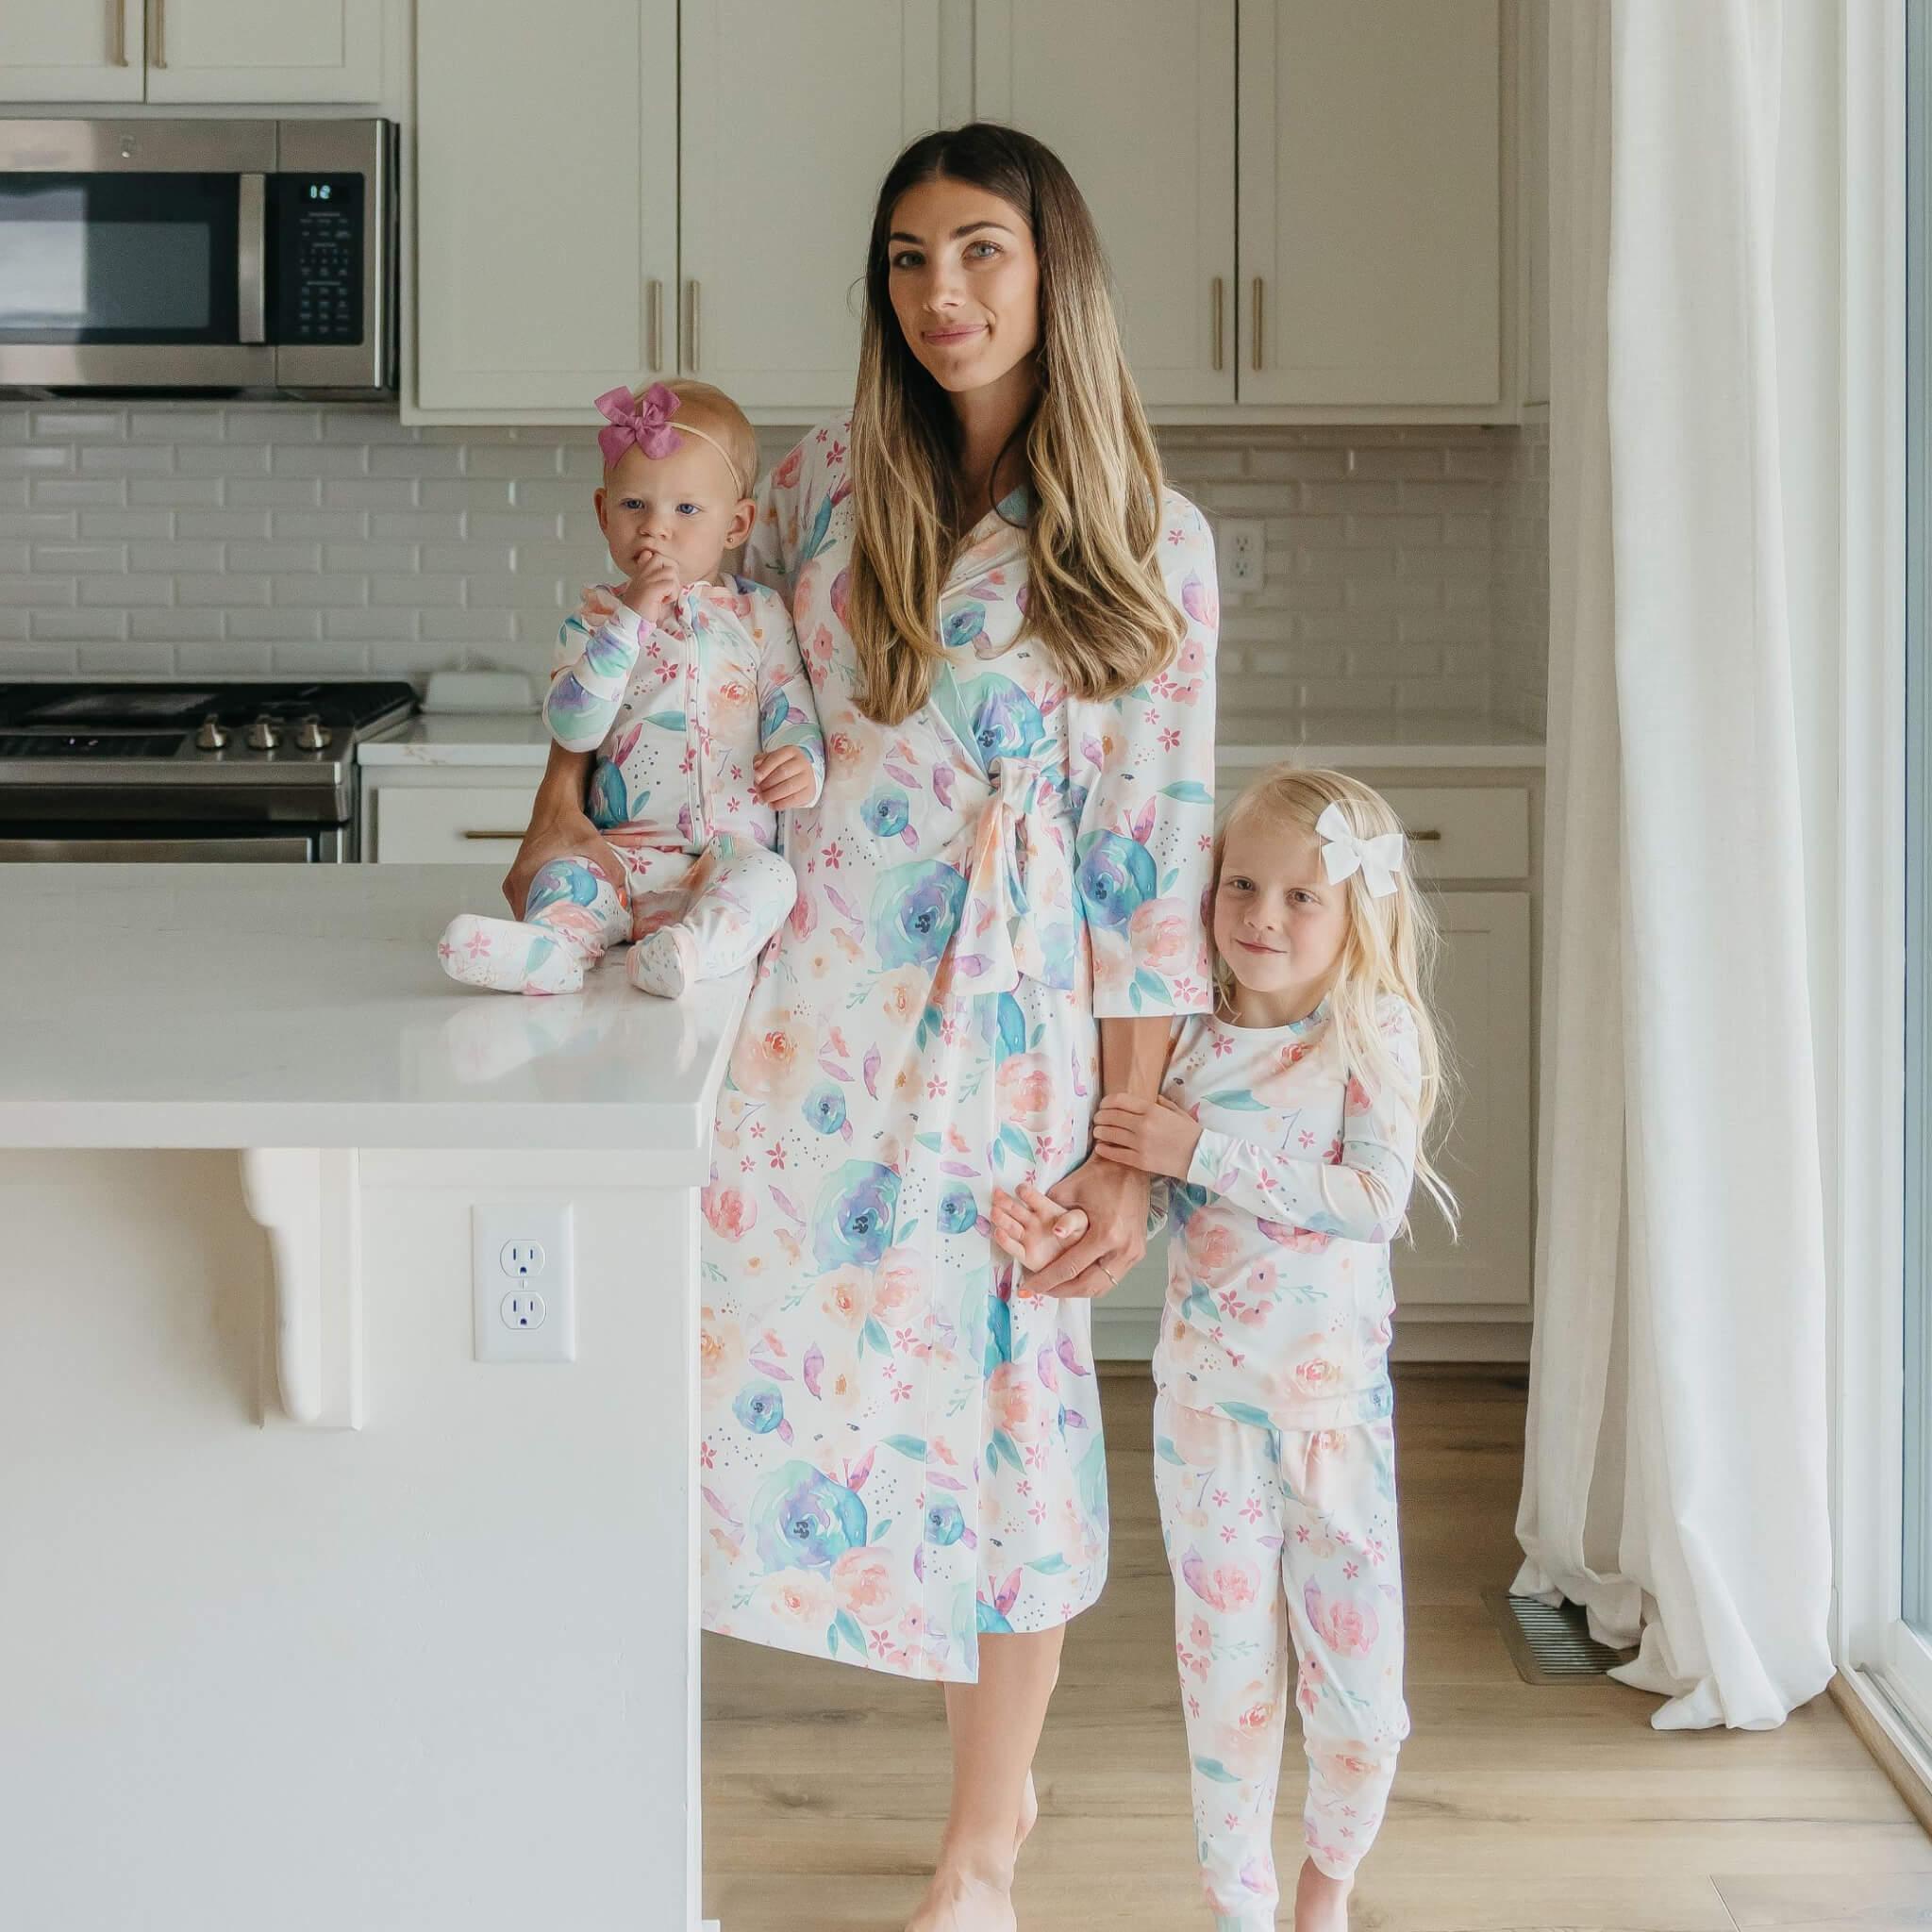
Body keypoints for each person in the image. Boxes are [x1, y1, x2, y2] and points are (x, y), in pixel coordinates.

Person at [504, 124, 1219, 1932]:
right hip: (790, 1011)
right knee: (703, 1377)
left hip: (1000, 1033)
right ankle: (588, 1790)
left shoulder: (1148, 537)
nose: (939, 292)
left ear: (1053, 274)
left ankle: (980, 1844)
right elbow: (680, 661)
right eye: (906, 257)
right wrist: (558, 801)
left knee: (1003, 1422)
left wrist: (1125, 1151)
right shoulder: (818, 481)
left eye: (979, 250)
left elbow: (1147, 865)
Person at [994, 765, 1453, 1932]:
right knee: (1227, 1689)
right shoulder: (1185, 1044)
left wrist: (1197, 1150)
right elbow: (1138, 1205)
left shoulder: (1368, 1033)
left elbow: (1369, 1200)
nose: (1262, 915)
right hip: (1206, 1420)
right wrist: (1055, 1224)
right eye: (1241, 884)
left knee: (1361, 1702)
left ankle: (1325, 1887)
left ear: (1356, 911)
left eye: (1301, 895)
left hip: (1334, 1425)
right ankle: (1238, 1908)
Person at [443, 377, 821, 998]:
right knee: (564, 875)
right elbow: (574, 728)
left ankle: (687, 953)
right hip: (616, 852)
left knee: (773, 880)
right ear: (603, 513)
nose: (655, 529)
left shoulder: (760, 616)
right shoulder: (592, 621)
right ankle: (553, 949)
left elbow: (791, 706)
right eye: (634, 505)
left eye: (686, 509)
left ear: (736, 524)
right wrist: (630, 620)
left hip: (721, 856)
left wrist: (803, 761)